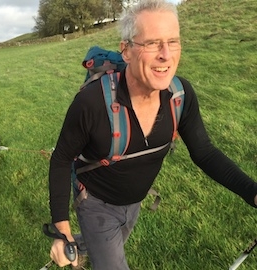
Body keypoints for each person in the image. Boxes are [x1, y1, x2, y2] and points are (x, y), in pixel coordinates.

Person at [47, 0, 257, 269]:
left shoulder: (180, 96)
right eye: (152, 43)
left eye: (173, 41)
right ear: (126, 50)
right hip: (96, 203)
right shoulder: (92, 103)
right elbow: (62, 158)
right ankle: (86, 242)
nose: (166, 55)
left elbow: (204, 152)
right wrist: (61, 230)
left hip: (134, 202)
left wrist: (252, 192)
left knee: (109, 242)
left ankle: (87, 245)